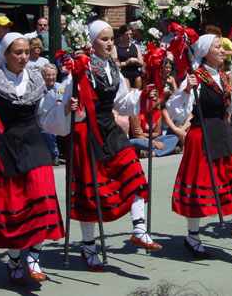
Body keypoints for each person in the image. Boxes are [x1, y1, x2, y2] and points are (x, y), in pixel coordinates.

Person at [52, 20, 160, 272]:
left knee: (133, 169)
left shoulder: (112, 66)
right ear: (92, 42)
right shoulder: (80, 68)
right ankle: (88, 247)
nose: (110, 43)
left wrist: (144, 96)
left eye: (111, 38)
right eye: (104, 38)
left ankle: (139, 227)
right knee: (90, 194)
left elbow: (122, 102)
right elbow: (67, 100)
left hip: (108, 128)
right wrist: (72, 108)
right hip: (85, 130)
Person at [166, 34, 232, 257]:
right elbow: (177, 110)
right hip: (202, 135)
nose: (222, 50)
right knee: (199, 186)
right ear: (205, 52)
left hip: (224, 130)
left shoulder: (224, 76)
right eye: (218, 47)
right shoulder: (195, 77)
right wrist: (187, 90)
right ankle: (192, 236)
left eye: (222, 47)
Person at [0, 33, 64, 286]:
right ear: (6, 54)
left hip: (33, 143)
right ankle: (16, 259)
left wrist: (65, 111)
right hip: (6, 146)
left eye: (27, 52)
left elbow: (45, 115)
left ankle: (34, 257)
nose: (24, 57)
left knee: (42, 197)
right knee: (14, 207)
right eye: (18, 52)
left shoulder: (36, 79)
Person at [41, 64, 63, 166]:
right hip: (43, 117)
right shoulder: (39, 89)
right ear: (43, 76)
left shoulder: (61, 87)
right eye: (48, 75)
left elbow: (61, 102)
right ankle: (52, 154)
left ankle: (54, 154)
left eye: (53, 75)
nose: (51, 77)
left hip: (59, 117)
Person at [116, 24, 143, 89]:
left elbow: (141, 63)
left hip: (135, 74)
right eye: (126, 34)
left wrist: (135, 60)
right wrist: (126, 63)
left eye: (130, 34)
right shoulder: (117, 48)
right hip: (124, 74)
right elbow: (116, 64)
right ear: (121, 35)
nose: (129, 36)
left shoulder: (135, 46)